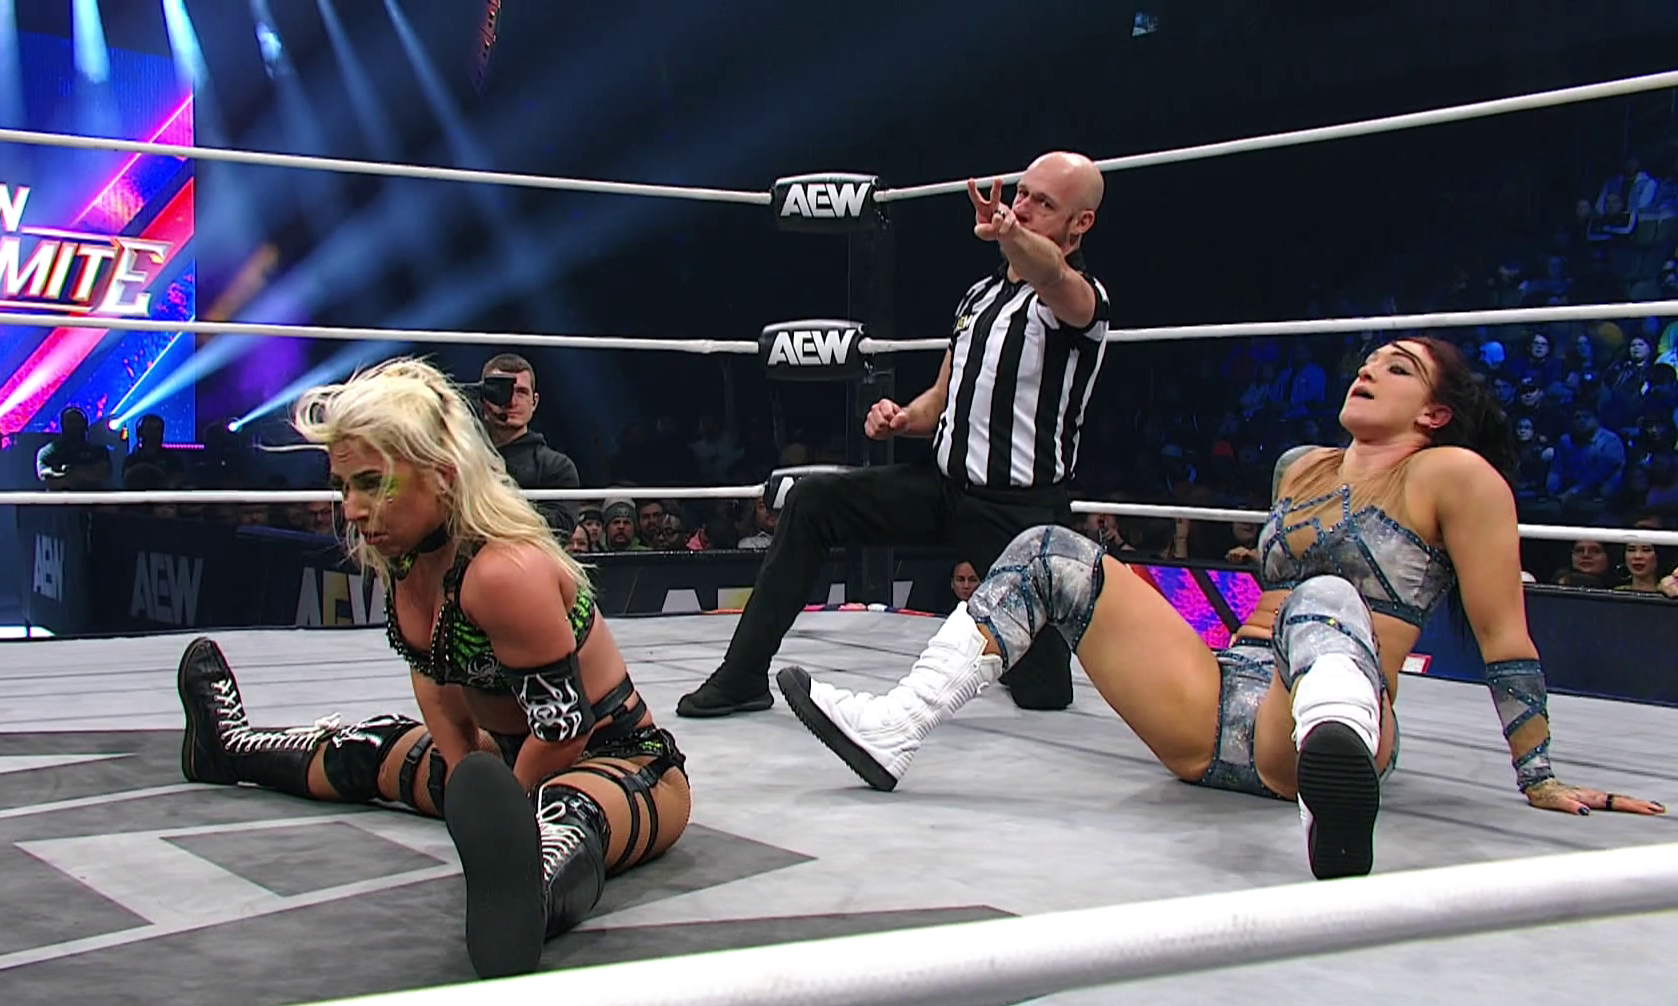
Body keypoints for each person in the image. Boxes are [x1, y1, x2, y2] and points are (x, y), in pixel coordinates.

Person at [776, 338, 1666, 880]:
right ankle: (895, 727)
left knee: (1325, 594)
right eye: (1368, 359)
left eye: (1397, 368)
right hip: (1211, 704)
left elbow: (1505, 633)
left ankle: (1331, 801)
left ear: (1434, 413)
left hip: (1321, 718)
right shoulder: (1299, 467)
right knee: (1048, 549)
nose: (1368, 369)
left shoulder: (1455, 475)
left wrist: (1538, 774)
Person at [175, 358, 690, 978]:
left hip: (620, 761)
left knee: (568, 811)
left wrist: (503, 809)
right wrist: (464, 777)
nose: (352, 509)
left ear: (442, 477)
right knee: (371, 748)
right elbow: (436, 678)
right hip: (504, 754)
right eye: (344, 486)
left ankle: (528, 899)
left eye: (372, 484)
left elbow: (563, 728)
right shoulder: (406, 559)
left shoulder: (504, 570)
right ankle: (227, 748)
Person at [679, 151, 1113, 718]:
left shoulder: (1082, 302)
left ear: (1081, 224)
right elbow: (944, 394)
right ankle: (742, 675)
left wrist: (1010, 234)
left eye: (1044, 202)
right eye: (1023, 194)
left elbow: (1052, 275)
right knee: (813, 501)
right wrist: (904, 417)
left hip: (1018, 514)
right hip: (943, 488)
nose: (1024, 207)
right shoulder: (980, 298)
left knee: (1044, 694)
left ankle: (1021, 647)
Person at [478, 353, 581, 540]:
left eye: (521, 392)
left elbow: (560, 529)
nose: (511, 401)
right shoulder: (461, 458)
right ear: (483, 397)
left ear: (534, 402)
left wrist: (490, 506)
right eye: (501, 390)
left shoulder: (557, 466)